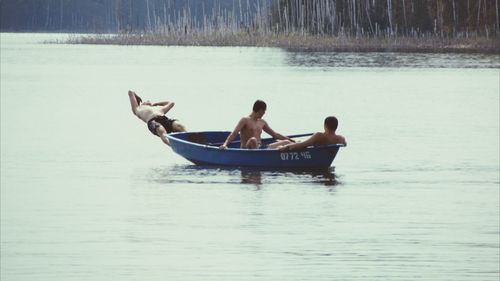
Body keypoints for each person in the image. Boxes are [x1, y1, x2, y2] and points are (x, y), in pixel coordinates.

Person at [219, 100, 293, 149]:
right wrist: (225, 145)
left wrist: (290, 139)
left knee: (287, 142)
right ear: (260, 110)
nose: (264, 113)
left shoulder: (262, 122)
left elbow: (275, 134)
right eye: (264, 111)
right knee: (253, 140)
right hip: (246, 148)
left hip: (261, 148)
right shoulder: (245, 120)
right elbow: (234, 134)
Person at [274, 116, 346, 151]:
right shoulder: (341, 138)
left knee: (286, 143)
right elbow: (345, 144)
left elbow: (302, 145)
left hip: (303, 145)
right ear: (336, 126)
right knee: (290, 142)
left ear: (325, 125)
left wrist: (285, 147)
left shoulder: (319, 135)